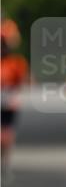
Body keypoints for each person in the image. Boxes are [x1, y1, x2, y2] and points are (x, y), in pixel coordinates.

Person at [1, 18, 30, 178]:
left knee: (6, 135)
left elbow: (21, 82)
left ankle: (5, 162)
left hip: (8, 100)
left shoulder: (15, 62)